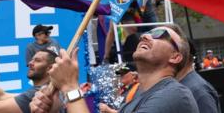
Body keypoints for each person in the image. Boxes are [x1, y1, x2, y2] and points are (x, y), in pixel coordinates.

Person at [31, 26, 199, 113]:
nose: (145, 36)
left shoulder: (175, 95)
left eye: (160, 34)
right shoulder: (139, 96)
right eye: (147, 33)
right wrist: (56, 108)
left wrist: (70, 87)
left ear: (175, 57)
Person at [177, 38, 220, 113]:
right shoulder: (205, 60)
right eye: (209, 53)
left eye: (211, 53)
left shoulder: (199, 92)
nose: (210, 54)